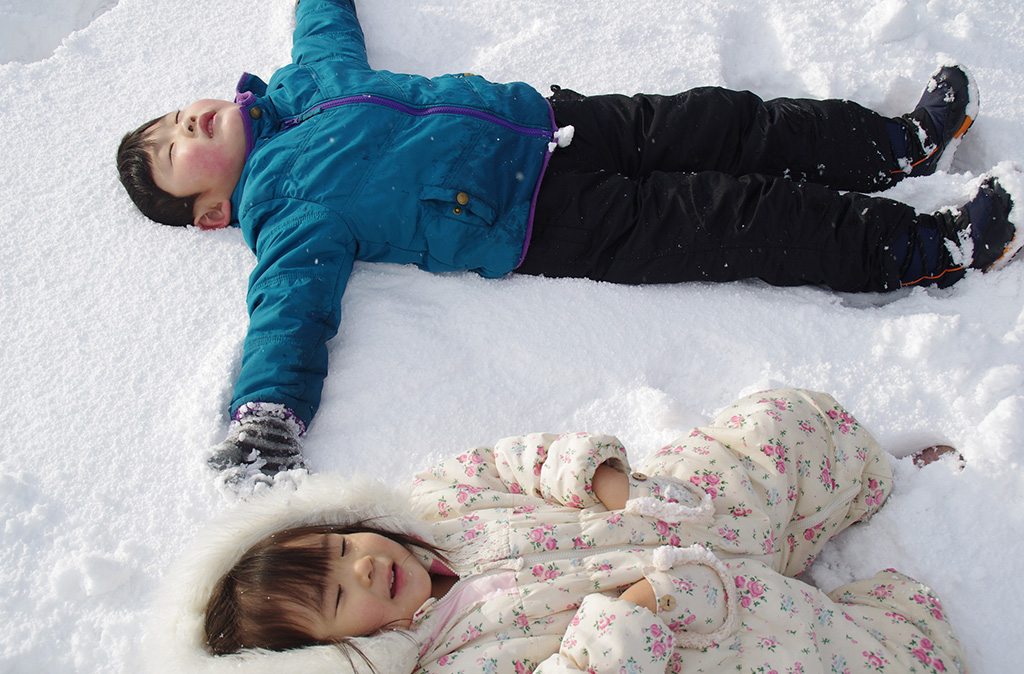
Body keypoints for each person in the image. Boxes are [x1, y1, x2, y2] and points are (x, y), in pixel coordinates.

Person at [116, 0, 1020, 478]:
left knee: (730, 123)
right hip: (538, 222)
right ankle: (927, 248)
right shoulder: (282, 208)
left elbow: (324, 18)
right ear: (210, 213)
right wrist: (264, 413)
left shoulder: (304, 83)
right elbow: (287, 310)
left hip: (556, 123)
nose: (180, 130)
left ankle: (896, 143)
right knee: (735, 218)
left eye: (170, 121)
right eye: (169, 155)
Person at [145, 388, 970, 674]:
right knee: (826, 656)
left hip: (672, 512)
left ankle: (865, 471)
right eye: (336, 594)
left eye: (338, 548)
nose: (364, 565)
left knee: (777, 426)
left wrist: (588, 475)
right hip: (690, 625)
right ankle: (861, 618)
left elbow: (507, 463)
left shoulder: (433, 509)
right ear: (338, 659)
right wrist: (627, 618)